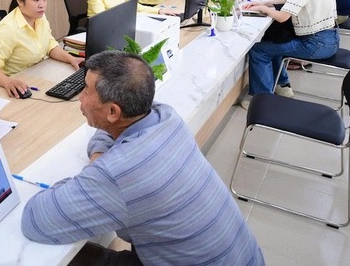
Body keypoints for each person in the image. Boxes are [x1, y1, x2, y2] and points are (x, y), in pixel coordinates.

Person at [21, 50, 265, 265]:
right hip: (244, 257)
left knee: (71, 258)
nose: (80, 97)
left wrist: (94, 178)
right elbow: (107, 131)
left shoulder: (119, 174)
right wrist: (99, 156)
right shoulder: (165, 116)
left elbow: (36, 221)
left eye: (85, 90)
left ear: (112, 111)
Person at [242, 0, 339, 109]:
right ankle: (282, 86)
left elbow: (282, 17)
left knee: (259, 51)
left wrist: (263, 8)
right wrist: (267, 3)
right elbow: (295, 0)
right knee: (274, 44)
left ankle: (261, 100)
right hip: (330, 39)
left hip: (314, 44)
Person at [0, 0, 82, 98]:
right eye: (36, 0)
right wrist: (8, 82)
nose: (42, 5)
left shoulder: (40, 17)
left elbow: (50, 45)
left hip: (38, 75)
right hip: (18, 86)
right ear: (20, 0)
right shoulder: (7, 28)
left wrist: (71, 59)